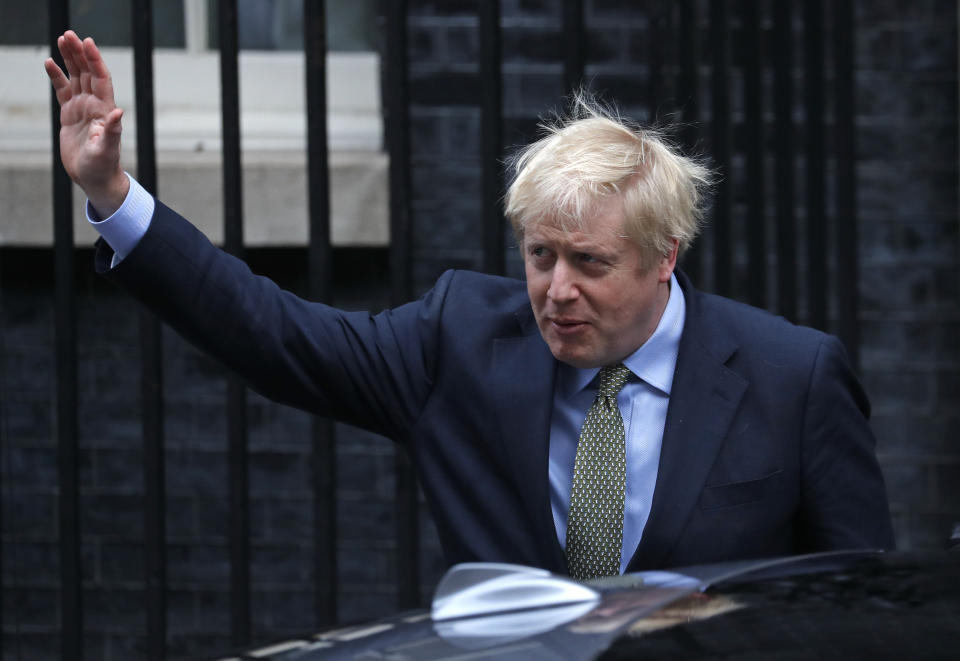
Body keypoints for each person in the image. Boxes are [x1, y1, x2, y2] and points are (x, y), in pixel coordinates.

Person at [46, 31, 895, 580]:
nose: (556, 290)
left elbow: (867, 605)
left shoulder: (794, 377)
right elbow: (274, 332)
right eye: (539, 255)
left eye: (589, 262)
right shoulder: (457, 339)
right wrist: (114, 193)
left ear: (665, 254)